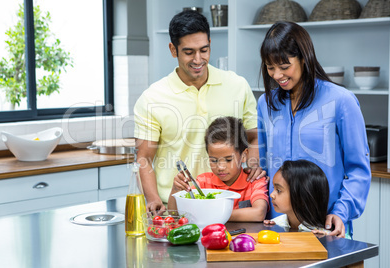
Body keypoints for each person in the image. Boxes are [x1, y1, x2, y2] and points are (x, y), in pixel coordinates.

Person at [134, 10, 263, 212]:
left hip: (231, 206)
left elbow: (253, 137)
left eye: (204, 50)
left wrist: (253, 164)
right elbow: (144, 158)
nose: (198, 59)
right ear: (173, 49)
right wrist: (152, 199)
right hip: (176, 207)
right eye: (189, 52)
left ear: (210, 43)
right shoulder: (152, 98)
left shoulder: (237, 85)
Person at [257, 21, 371, 238]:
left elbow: (358, 170)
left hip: (325, 226)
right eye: (270, 67)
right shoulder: (265, 104)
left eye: (284, 66)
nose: (277, 75)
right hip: (277, 225)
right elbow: (264, 168)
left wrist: (341, 211)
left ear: (303, 57)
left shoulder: (341, 101)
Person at [168, 116, 268, 222]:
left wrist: (213, 214)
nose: (220, 167)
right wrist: (176, 189)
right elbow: (175, 213)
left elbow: (259, 213)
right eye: (214, 160)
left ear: (244, 156)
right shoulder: (203, 182)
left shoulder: (254, 181)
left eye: (228, 160)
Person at [264, 160, 337, 236]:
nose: (272, 195)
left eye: (278, 190)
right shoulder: (275, 224)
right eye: (273, 188)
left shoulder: (325, 236)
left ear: (302, 198)